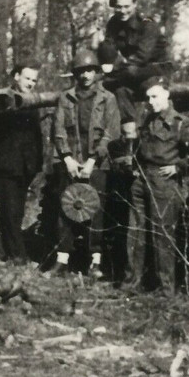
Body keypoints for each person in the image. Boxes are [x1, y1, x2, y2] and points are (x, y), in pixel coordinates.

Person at [123, 76, 189, 294]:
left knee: (162, 236)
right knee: (135, 233)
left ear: (166, 94)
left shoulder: (179, 123)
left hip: (164, 183)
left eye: (155, 96)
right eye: (148, 98)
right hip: (141, 179)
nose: (151, 102)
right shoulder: (146, 120)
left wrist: (179, 167)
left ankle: (166, 288)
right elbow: (139, 147)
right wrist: (135, 165)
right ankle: (131, 284)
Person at [49, 49, 121, 278]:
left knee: (94, 210)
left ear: (97, 73)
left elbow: (111, 132)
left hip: (96, 164)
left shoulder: (107, 99)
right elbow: (58, 129)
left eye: (90, 70)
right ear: (75, 74)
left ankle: (94, 262)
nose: (86, 75)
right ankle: (62, 260)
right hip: (69, 162)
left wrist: (92, 160)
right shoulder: (66, 97)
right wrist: (68, 158)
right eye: (81, 71)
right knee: (66, 208)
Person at [0, 65, 43, 265]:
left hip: (27, 167)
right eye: (27, 78)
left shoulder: (34, 102)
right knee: (12, 212)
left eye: (33, 80)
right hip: (8, 165)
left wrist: (36, 165)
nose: (30, 83)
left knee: (12, 210)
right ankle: (19, 256)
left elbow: (37, 136)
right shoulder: (1, 99)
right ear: (16, 76)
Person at [102, 0, 171, 131]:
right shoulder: (113, 23)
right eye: (118, 7)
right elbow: (109, 48)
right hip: (132, 72)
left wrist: (116, 68)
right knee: (119, 90)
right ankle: (130, 137)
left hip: (155, 69)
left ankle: (163, 132)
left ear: (134, 5)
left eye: (127, 6)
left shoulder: (147, 24)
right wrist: (104, 61)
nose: (122, 11)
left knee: (150, 90)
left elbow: (142, 56)